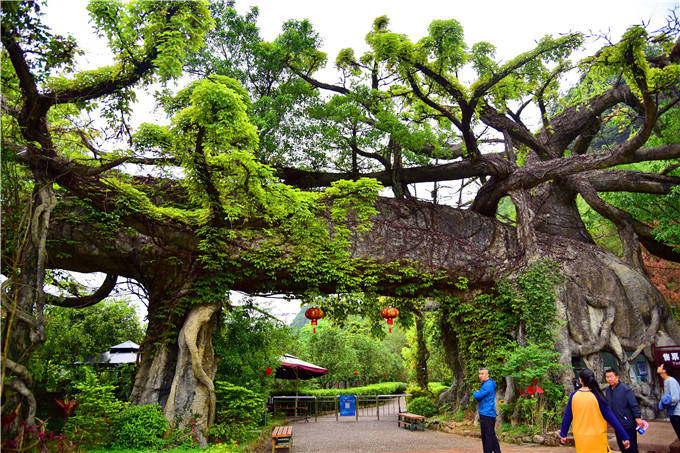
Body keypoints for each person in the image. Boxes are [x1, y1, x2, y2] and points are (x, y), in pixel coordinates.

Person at [560, 368, 630, 453]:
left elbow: (567, 416)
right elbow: (612, 418)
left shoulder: (574, 396)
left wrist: (563, 434)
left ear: (580, 380)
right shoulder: (597, 396)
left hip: (581, 437)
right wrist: (624, 436)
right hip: (597, 436)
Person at [605, 368, 643, 453]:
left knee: (631, 447)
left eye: (611, 376)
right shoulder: (608, 390)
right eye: (607, 377)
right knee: (622, 446)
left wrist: (637, 417)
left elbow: (634, 405)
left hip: (628, 424)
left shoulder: (625, 389)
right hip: (617, 424)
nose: (609, 379)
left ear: (617, 377)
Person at [473, 367, 501, 453]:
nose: (480, 376)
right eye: (479, 373)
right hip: (488, 413)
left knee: (487, 437)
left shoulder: (488, 385)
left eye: (482, 373)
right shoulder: (488, 384)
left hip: (487, 413)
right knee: (491, 435)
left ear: (487, 375)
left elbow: (478, 396)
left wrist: (475, 392)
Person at [657, 362, 680, 439]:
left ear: (664, 370)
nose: (658, 367)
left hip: (677, 413)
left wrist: (665, 403)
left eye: (660, 366)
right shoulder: (666, 381)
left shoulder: (671, 381)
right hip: (673, 413)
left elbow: (676, 397)